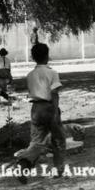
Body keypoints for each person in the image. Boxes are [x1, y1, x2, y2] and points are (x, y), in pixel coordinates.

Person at [14, 43, 66, 181]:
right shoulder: (52, 73)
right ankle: (58, 170)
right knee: (58, 140)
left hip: (36, 108)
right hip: (49, 107)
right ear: (47, 56)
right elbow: (54, 93)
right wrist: (55, 111)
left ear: (33, 57)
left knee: (36, 141)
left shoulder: (30, 75)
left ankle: (24, 163)